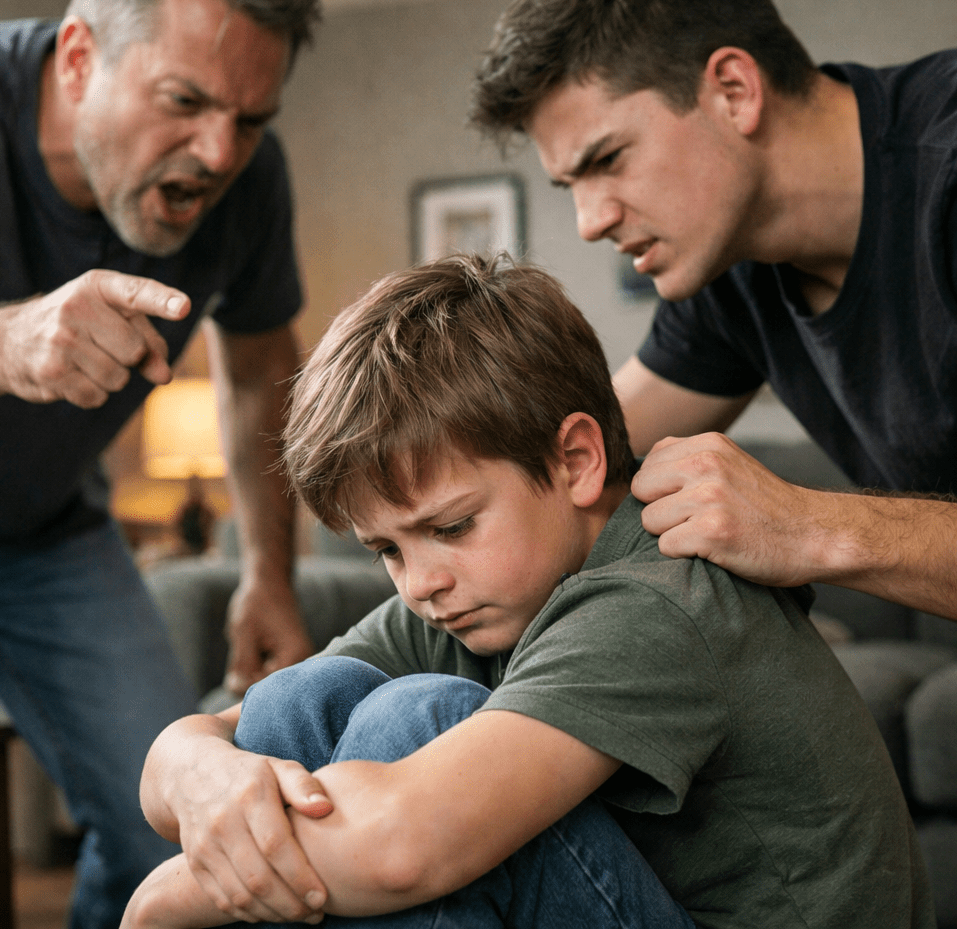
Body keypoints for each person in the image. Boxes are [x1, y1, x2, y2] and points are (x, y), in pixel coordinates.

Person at [123, 255, 932, 929]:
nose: (422, 583)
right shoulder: (472, 593)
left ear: (576, 462)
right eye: (386, 550)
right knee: (310, 696)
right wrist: (201, 771)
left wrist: (175, 897)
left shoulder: (655, 599)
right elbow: (221, 735)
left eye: (451, 526)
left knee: (415, 723)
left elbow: (405, 845)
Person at [0, 0, 320, 924]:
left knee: (183, 812)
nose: (218, 151)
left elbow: (256, 375)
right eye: (184, 100)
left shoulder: (249, 181)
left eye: (251, 118)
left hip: (40, 533)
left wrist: (267, 572)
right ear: (76, 56)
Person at [470, 0, 957, 622]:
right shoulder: (734, 271)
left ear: (733, 89)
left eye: (606, 160)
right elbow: (562, 468)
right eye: (570, 185)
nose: (589, 221)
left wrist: (802, 526)